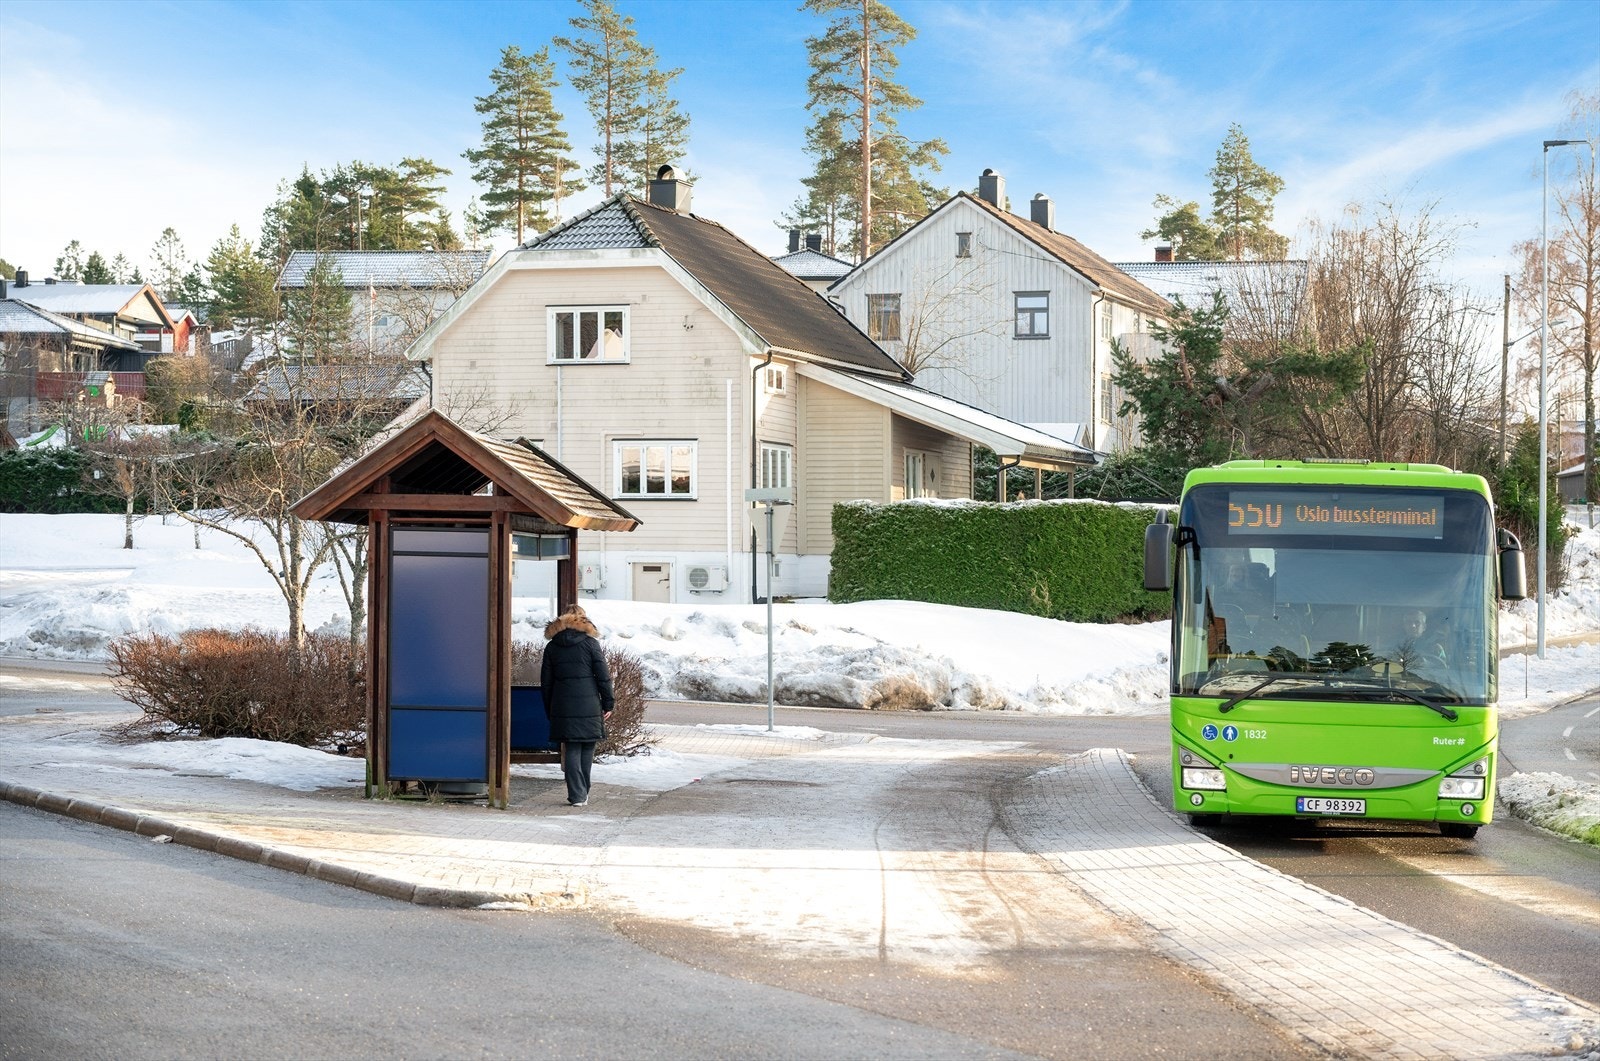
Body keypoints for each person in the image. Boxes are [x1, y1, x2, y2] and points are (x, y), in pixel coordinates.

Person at [540, 605, 614, 807]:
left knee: (571, 748)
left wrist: (550, 708)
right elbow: (604, 677)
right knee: (587, 747)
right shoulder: (591, 644)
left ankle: (577, 794)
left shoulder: (552, 647)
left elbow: (546, 683)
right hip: (589, 703)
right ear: (583, 620)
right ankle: (583, 792)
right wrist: (608, 702)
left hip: (562, 704)